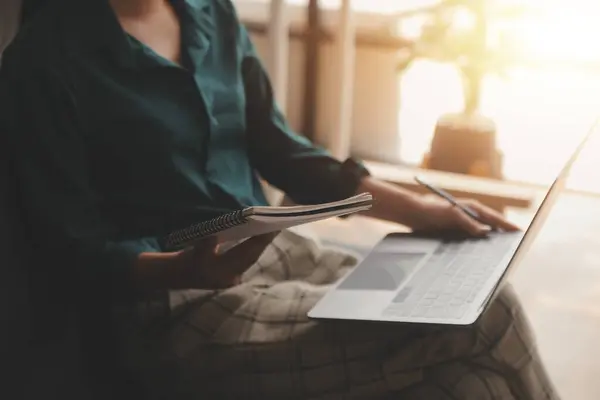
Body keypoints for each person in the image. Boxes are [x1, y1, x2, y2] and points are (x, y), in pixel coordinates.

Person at [0, 0, 560, 398]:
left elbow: (279, 149)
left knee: (465, 384)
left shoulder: (209, 12)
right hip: (171, 310)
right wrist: (178, 269)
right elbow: (69, 249)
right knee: (489, 315)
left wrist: (424, 210)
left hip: (285, 254)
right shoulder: (45, 61)